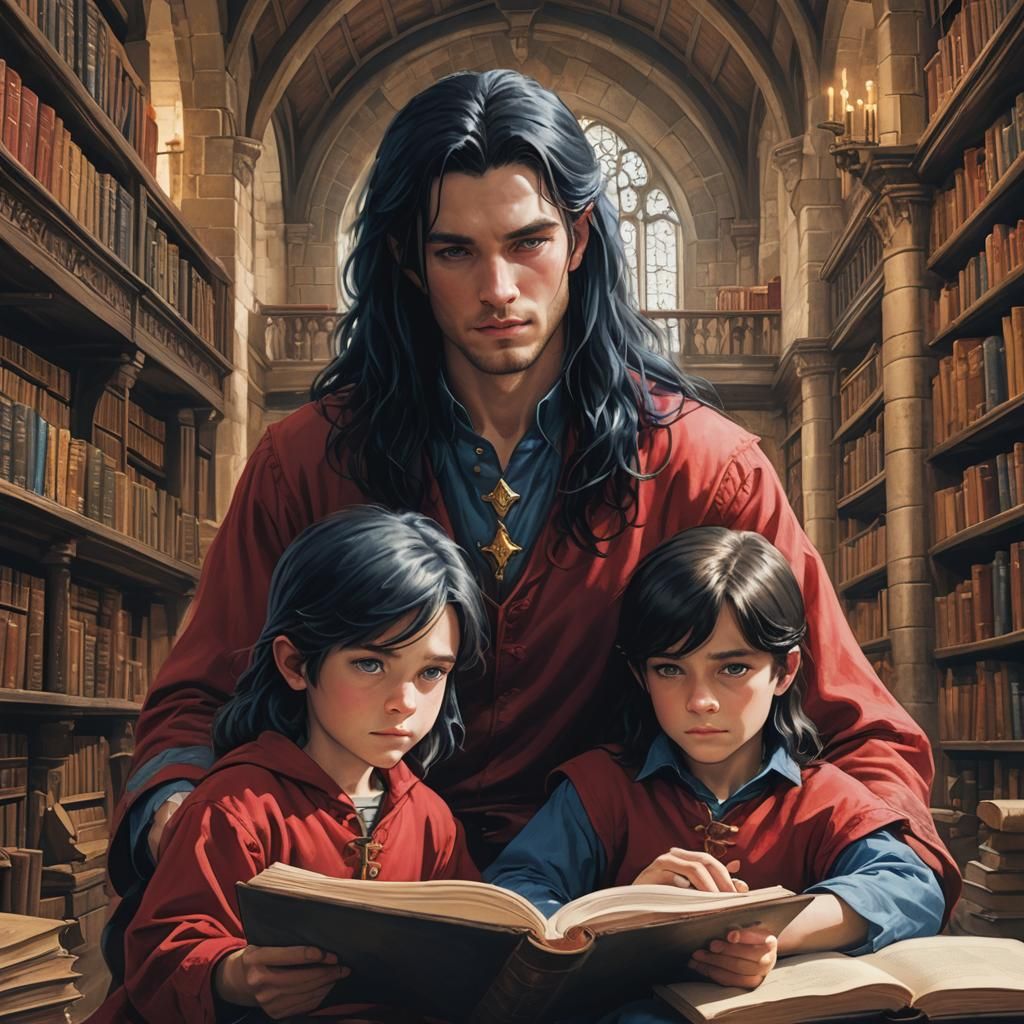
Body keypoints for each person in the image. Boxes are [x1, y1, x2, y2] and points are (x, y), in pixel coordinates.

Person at [107, 68, 957, 934]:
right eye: (455, 252)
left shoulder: (710, 466)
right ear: (406, 256)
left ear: (580, 238)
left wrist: (852, 895)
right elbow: (195, 709)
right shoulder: (304, 460)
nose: (498, 289)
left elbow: (856, 731)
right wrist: (185, 823)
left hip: (604, 915)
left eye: (528, 242)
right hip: (359, 907)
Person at [485, 527, 944, 1019]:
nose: (700, 701)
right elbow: (514, 898)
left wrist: (769, 934)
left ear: (784, 671)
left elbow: (910, 887)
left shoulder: (825, 795)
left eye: (733, 669)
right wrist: (623, 912)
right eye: (670, 669)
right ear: (640, 675)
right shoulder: (598, 788)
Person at [95, 506, 487, 1023]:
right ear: (295, 664)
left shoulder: (432, 820)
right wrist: (235, 973)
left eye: (431, 672)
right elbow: (158, 953)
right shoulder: (234, 808)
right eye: (370, 664)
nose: (405, 702)